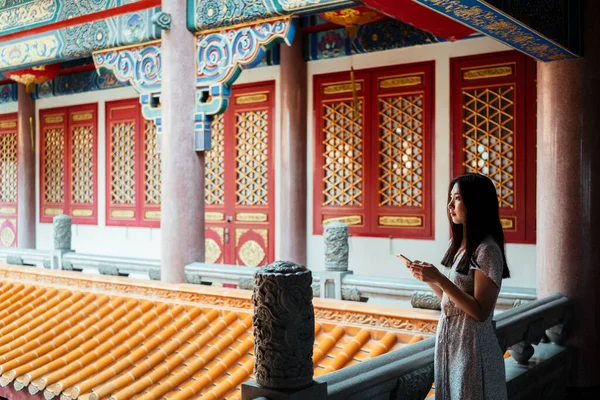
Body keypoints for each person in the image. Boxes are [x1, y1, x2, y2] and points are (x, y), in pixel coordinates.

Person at [404, 173, 509, 400]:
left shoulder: (487, 250)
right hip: (452, 341)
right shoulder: (459, 245)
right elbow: (450, 301)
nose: (450, 205)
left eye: (458, 198)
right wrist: (429, 279)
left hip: (473, 346)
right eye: (450, 198)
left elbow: (480, 312)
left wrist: (440, 279)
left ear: (476, 203)